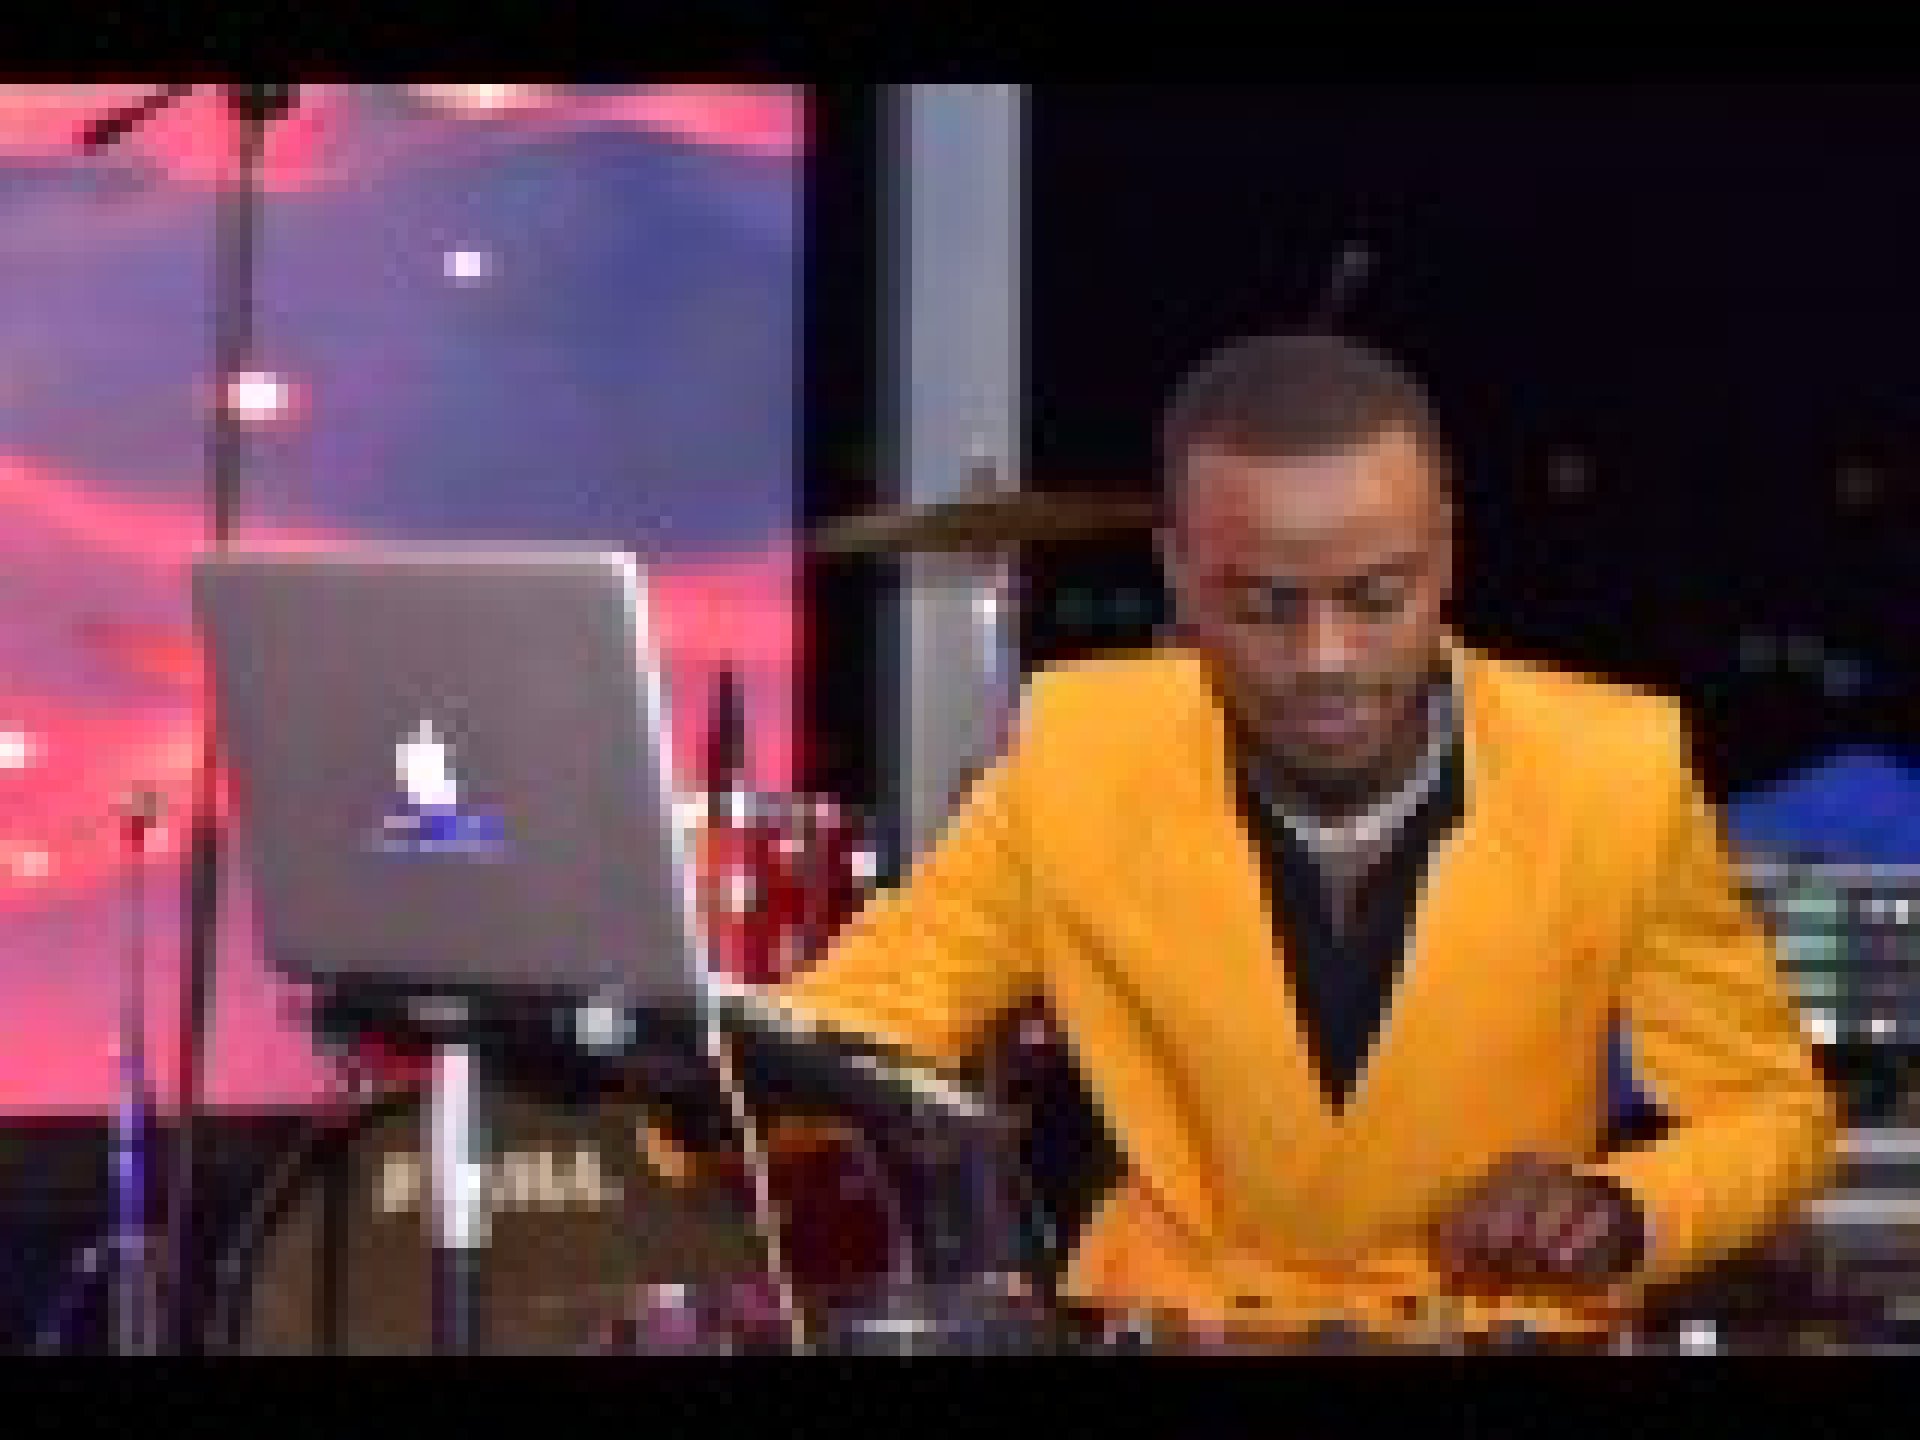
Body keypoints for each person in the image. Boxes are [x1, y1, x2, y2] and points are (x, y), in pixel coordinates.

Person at [769, 331, 1839, 1341]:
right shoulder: (1080, 751)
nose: (1326, 658)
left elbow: (1770, 1114)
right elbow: (863, 1021)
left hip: (1495, 1327)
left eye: (1377, 598)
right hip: (1178, 1328)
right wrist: (706, 1076)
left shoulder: (1613, 768)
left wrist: (1619, 1208)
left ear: (1446, 554)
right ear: (1179, 573)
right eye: (1265, 607)